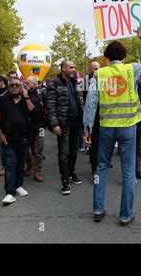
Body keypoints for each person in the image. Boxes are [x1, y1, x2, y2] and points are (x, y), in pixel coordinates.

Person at [84, 27, 141, 226]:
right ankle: (125, 215)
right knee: (127, 171)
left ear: (106, 59)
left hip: (107, 126)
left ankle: (98, 209)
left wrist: (87, 130)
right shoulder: (131, 69)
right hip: (128, 127)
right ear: (124, 57)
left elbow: (91, 103)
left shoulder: (99, 74)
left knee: (101, 167)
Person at [0, 78, 36, 205]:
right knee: (10, 165)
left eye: (18, 85)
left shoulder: (26, 100)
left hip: (23, 139)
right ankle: (9, 193)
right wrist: (0, 134)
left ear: (21, 87)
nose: (15, 87)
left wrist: (27, 97)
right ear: (8, 87)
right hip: (8, 139)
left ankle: (18, 186)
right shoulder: (2, 100)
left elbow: (34, 113)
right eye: (12, 85)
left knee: (20, 165)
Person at [46, 60, 85, 195]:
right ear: (63, 68)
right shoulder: (54, 84)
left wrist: (84, 119)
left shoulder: (76, 83)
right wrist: (54, 124)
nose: (73, 69)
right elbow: (50, 106)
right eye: (71, 67)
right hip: (63, 123)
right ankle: (64, 181)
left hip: (76, 122)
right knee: (64, 152)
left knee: (74, 151)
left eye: (74, 67)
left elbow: (80, 101)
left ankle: (71, 173)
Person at [24, 76, 46, 182]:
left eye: (27, 83)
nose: (25, 85)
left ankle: (37, 170)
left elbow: (35, 110)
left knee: (38, 150)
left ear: (34, 84)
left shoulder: (42, 95)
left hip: (39, 127)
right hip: (26, 128)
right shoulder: (22, 95)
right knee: (24, 149)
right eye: (24, 83)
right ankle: (29, 164)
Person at [84, 62, 101, 176]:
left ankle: (101, 162)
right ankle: (94, 166)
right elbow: (83, 98)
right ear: (90, 69)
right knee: (93, 142)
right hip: (91, 116)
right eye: (94, 68)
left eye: (98, 69)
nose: (96, 71)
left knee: (102, 141)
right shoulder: (84, 82)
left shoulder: (103, 80)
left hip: (102, 115)